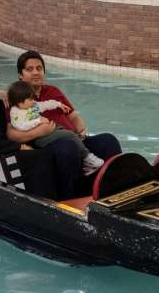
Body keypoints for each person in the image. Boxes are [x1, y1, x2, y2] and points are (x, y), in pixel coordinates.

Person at [0, 68, 77, 199]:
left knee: (46, 154)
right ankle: (44, 199)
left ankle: (51, 196)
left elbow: (13, 108)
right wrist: (19, 146)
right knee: (39, 158)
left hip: (2, 145)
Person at [15, 50, 122, 196]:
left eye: (39, 68)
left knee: (108, 141)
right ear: (20, 75)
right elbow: (11, 133)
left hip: (74, 139)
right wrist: (40, 132)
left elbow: (73, 116)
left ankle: (111, 190)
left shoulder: (53, 91)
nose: (36, 73)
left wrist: (81, 131)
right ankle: (69, 197)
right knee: (68, 147)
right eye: (30, 69)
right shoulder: (16, 97)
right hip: (48, 146)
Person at [7, 80, 104, 172]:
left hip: (50, 131)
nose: (33, 101)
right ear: (20, 102)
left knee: (68, 134)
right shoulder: (16, 113)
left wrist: (58, 104)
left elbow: (45, 105)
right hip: (39, 139)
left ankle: (84, 157)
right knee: (69, 135)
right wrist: (38, 121)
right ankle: (88, 158)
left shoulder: (32, 105)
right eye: (30, 99)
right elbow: (20, 126)